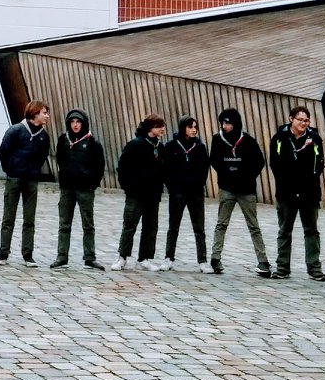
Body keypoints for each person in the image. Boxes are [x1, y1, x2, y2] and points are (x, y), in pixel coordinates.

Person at [208, 107, 271, 277]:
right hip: (227, 188)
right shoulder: (217, 139)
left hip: (246, 189)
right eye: (222, 122)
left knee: (253, 225)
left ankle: (263, 261)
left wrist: (245, 174)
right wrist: (227, 172)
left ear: (235, 123)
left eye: (227, 122)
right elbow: (214, 160)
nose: (224, 125)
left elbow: (259, 161)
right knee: (221, 224)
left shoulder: (248, 140)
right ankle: (215, 258)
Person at [268, 106, 325, 281]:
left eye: (306, 120)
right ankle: (282, 268)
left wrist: (308, 184)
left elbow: (319, 165)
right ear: (291, 119)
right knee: (285, 231)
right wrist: (286, 185)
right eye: (300, 119)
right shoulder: (279, 138)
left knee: (311, 231)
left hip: (310, 194)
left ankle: (314, 269)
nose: (303, 123)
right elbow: (275, 165)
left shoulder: (315, 139)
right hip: (286, 194)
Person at [0, 102, 50, 265]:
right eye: (44, 112)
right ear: (35, 113)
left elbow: (43, 156)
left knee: (29, 219)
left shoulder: (43, 136)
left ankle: (28, 254)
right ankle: (3, 253)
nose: (47, 116)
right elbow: (4, 151)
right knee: (8, 218)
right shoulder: (16, 130)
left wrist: (33, 172)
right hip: (14, 178)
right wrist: (11, 171)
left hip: (31, 180)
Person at [52, 108, 105, 269]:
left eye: (78, 122)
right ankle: (62, 256)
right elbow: (59, 160)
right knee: (64, 224)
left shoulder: (92, 143)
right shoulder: (63, 140)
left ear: (84, 123)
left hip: (85, 190)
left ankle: (90, 256)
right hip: (67, 189)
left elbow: (99, 167)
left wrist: (91, 184)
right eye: (72, 122)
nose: (75, 125)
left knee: (88, 225)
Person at [113, 116, 166, 271]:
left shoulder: (160, 147)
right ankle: (122, 257)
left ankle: (145, 258)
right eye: (158, 126)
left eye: (162, 126)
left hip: (153, 195)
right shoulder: (135, 145)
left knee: (151, 227)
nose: (162, 129)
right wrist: (128, 188)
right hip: (136, 194)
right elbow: (122, 167)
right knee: (130, 225)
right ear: (150, 127)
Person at [159, 117, 211, 272]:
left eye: (195, 127)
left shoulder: (200, 147)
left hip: (195, 193)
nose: (194, 129)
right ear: (183, 128)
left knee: (199, 228)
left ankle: (202, 260)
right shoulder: (172, 146)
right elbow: (166, 169)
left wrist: (198, 184)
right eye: (190, 127)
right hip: (178, 193)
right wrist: (173, 186)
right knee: (173, 227)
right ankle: (168, 258)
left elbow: (204, 169)